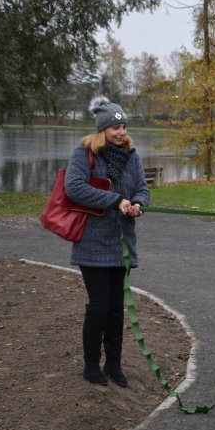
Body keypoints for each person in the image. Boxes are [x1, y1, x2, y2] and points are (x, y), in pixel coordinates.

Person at [65, 97, 149, 387]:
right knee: (99, 306)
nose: (121, 132)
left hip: (122, 244)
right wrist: (116, 200)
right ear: (102, 130)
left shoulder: (132, 156)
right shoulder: (84, 154)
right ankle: (91, 366)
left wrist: (138, 203)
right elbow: (74, 188)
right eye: (115, 127)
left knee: (116, 308)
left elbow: (142, 189)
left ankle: (114, 364)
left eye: (124, 126)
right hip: (92, 243)